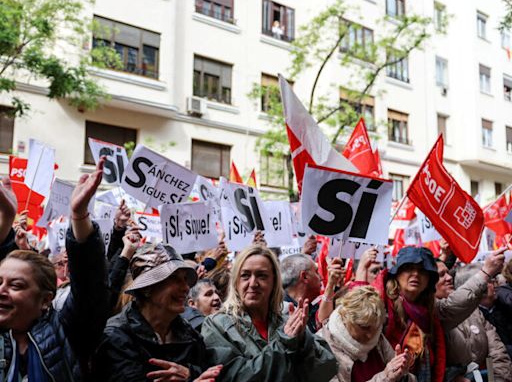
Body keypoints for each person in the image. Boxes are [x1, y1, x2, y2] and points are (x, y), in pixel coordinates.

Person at [0, 157, 109, 380]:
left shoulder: (66, 332)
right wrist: (5, 220)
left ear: (46, 300)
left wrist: (78, 216)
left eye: (16, 285)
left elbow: (90, 284)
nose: (2, 291)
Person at [356, 246, 505, 382]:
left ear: (429, 280)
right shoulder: (378, 303)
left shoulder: (431, 311)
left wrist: (485, 273)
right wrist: (361, 271)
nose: (415, 274)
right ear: (397, 274)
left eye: (422, 270)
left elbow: (456, 304)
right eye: (408, 268)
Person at [201, 244, 337, 381]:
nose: (253, 283)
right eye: (245, 275)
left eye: (262, 276)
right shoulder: (216, 325)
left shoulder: (287, 321)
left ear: (274, 282)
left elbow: (326, 369)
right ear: (236, 282)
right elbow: (236, 377)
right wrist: (284, 343)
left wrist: (302, 341)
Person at [93, 242, 221, 381]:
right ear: (147, 288)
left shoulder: (190, 335)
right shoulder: (116, 338)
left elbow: (207, 371)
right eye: (174, 278)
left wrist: (190, 374)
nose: (185, 287)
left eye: (185, 279)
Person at [320, 286, 415, 382]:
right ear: (345, 319)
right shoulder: (322, 347)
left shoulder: (377, 338)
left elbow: (400, 376)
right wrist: (385, 377)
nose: (370, 335)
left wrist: (402, 374)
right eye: (364, 327)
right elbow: (387, 376)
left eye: (376, 328)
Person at [439, 263, 512, 382]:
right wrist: (452, 377)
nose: (449, 277)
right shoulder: (430, 316)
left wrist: (496, 378)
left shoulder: (474, 311)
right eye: (441, 275)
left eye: (448, 273)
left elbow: (495, 352)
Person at [281, 253, 323, 332]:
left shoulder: (314, 307)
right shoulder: (281, 315)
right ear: (304, 276)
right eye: (316, 272)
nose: (321, 277)